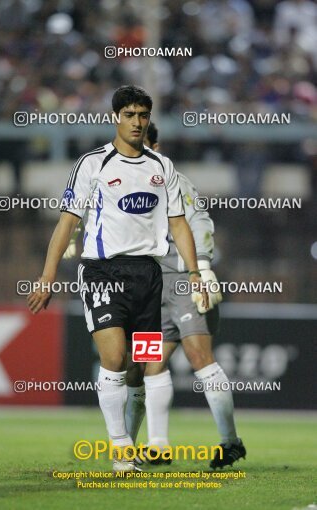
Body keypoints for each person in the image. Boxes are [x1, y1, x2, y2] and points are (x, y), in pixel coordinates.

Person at [27, 85, 208, 473]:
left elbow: (179, 224)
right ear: (116, 117)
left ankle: (136, 440)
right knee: (113, 357)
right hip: (102, 272)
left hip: (148, 275)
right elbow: (66, 224)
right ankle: (120, 448)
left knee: (140, 364)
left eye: (143, 116)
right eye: (130, 115)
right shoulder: (93, 164)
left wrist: (195, 273)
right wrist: (46, 277)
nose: (137, 123)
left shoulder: (161, 168)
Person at [124, 122, 246, 470]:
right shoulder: (122, 184)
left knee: (198, 356)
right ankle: (152, 447)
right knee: (148, 364)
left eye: (140, 144)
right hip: (149, 287)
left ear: (155, 146)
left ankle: (230, 442)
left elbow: (200, 221)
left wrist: (203, 268)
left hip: (183, 279)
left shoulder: (173, 181)